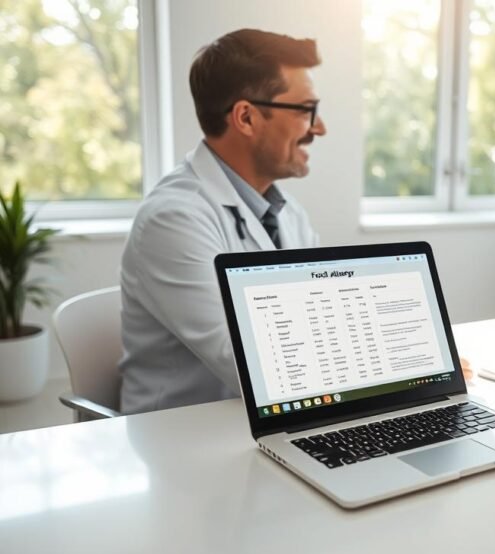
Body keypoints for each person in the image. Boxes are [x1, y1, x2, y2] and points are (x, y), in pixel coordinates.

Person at [120, 29, 472, 414]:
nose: (319, 128)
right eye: (306, 110)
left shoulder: (286, 213)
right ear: (247, 117)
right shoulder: (173, 220)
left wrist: (415, 357)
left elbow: (325, 330)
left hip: (281, 422)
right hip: (185, 439)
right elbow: (248, 367)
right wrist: (410, 367)